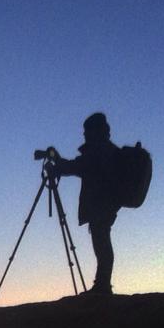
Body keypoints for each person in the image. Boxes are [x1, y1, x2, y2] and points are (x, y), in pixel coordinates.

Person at [51, 112, 121, 296]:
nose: (84, 135)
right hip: (106, 204)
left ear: (95, 131)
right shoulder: (105, 149)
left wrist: (57, 165)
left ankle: (102, 287)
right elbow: (77, 166)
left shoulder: (99, 151)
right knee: (101, 241)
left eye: (87, 131)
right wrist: (59, 162)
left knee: (101, 243)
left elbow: (76, 167)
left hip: (102, 205)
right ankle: (102, 285)